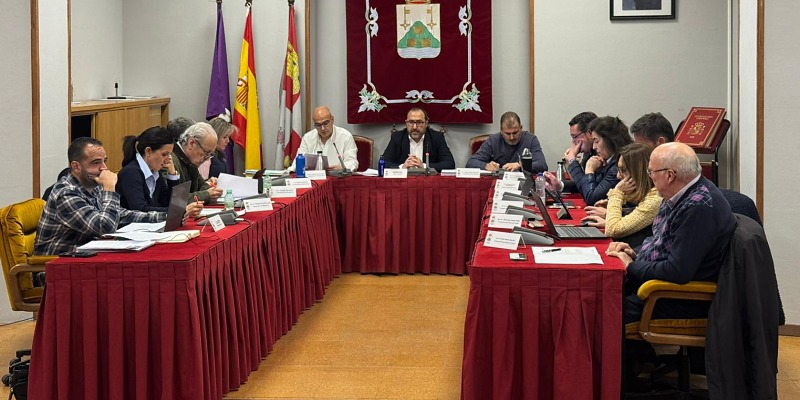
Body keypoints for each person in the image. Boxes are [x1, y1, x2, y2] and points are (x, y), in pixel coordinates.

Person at [605, 142, 736, 324]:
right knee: (598, 294)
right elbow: (661, 242)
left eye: (651, 172)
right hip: (660, 288)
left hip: (674, 298)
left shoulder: (698, 207)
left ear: (669, 175)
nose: (650, 177)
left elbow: (677, 271)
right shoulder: (680, 194)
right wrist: (634, 252)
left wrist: (631, 266)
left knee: (601, 311)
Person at [34, 137, 166, 255]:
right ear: (76, 167)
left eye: (104, 161)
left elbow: (119, 215)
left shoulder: (93, 185)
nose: (104, 168)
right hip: (55, 265)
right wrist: (109, 189)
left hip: (84, 256)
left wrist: (164, 216)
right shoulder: (65, 193)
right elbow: (104, 228)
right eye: (96, 162)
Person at [581, 143, 662, 247]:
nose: (618, 176)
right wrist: (613, 212)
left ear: (639, 172)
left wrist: (617, 194)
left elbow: (613, 230)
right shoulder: (649, 194)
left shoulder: (656, 198)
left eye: (623, 170)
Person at [546, 116, 632, 205]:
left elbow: (591, 198)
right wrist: (560, 185)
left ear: (609, 140)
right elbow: (588, 185)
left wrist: (588, 170)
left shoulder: (618, 165)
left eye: (596, 141)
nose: (594, 147)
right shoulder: (606, 159)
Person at [116, 126, 203, 214]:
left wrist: (172, 175)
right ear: (148, 151)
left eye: (170, 154)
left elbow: (169, 204)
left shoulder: (155, 172)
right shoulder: (131, 173)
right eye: (164, 154)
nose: (168, 159)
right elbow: (140, 210)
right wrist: (180, 211)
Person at [466, 111, 547, 173]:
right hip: (498, 181)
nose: (512, 137)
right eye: (507, 134)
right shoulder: (493, 140)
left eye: (515, 133)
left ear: (521, 128)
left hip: (523, 182)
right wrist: (486, 166)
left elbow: (542, 165)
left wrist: (521, 165)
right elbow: (471, 163)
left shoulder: (531, 139)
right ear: (501, 131)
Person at [382, 107, 455, 171]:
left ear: (426, 123)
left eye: (419, 122)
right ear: (406, 123)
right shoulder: (397, 137)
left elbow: (449, 164)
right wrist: (402, 167)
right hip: (404, 180)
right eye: (411, 122)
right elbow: (383, 163)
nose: (414, 127)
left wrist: (424, 166)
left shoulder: (436, 137)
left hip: (428, 180)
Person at [288, 106, 358, 172]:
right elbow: (297, 164)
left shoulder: (345, 136)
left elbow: (352, 162)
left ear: (332, 120)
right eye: (318, 125)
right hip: (314, 178)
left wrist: (342, 167)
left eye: (326, 123)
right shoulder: (307, 138)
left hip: (338, 178)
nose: (323, 128)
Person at [172, 122, 224, 203]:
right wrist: (207, 194)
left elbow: (202, 185)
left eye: (210, 155)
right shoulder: (171, 160)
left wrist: (213, 191)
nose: (207, 159)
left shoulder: (190, 160)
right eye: (206, 153)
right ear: (191, 143)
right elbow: (177, 199)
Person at [561, 111, 598, 192]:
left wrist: (572, 160)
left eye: (575, 137)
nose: (574, 142)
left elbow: (586, 190)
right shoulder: (588, 153)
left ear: (589, 133)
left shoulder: (602, 154)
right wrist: (559, 185)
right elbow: (580, 184)